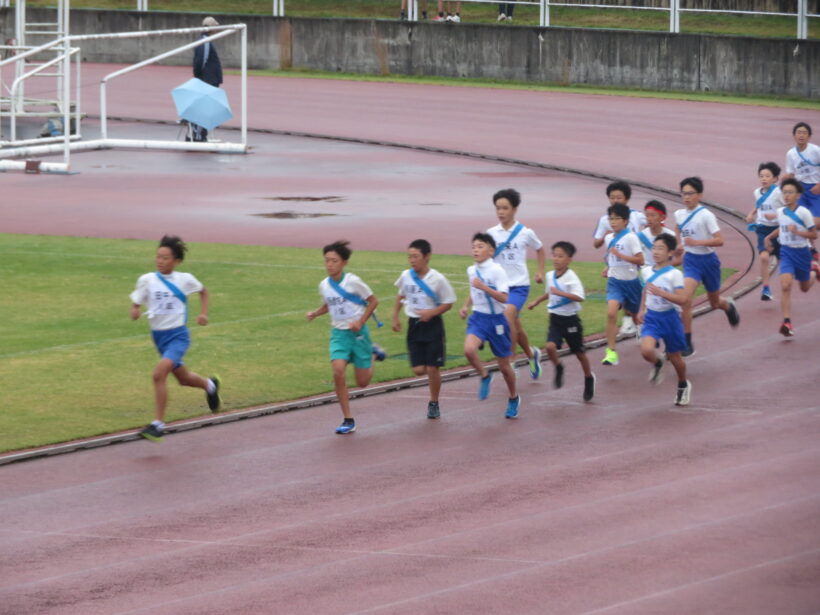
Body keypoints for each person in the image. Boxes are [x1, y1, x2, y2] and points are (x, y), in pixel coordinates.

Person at [130, 235, 221, 442]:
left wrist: (203, 313)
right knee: (183, 379)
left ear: (176, 261)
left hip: (178, 336)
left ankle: (158, 425)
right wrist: (134, 310)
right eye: (158, 257)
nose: (160, 261)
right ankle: (210, 386)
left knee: (158, 374)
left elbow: (203, 291)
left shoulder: (184, 279)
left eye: (165, 258)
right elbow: (137, 301)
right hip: (159, 338)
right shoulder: (147, 280)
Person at [306, 240, 386, 435]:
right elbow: (328, 305)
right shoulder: (324, 285)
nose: (329, 264)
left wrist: (361, 321)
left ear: (344, 263)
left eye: (334, 261)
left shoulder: (353, 281)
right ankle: (348, 419)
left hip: (358, 334)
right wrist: (316, 313)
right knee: (338, 370)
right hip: (338, 334)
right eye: (327, 260)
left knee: (362, 383)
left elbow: (374, 301)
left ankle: (373, 353)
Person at [674, 176, 740, 357]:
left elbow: (720, 240)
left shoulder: (706, 215)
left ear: (699, 195)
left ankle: (728, 305)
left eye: (690, 194)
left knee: (714, 302)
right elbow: (678, 228)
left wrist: (697, 242)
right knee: (685, 299)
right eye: (683, 193)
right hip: (691, 262)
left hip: (709, 262)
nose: (686, 197)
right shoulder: (679, 214)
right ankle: (687, 341)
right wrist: (679, 244)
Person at [391, 239, 456, 419]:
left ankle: (434, 402)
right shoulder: (406, 276)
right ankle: (431, 371)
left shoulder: (437, 279)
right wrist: (395, 317)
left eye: (416, 257)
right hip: (414, 326)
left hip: (433, 326)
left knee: (433, 368)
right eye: (409, 257)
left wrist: (432, 313)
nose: (412, 260)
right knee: (419, 369)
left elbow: (449, 302)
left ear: (427, 257)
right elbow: (400, 295)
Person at [459, 232, 521, 419]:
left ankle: (513, 397)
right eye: (473, 247)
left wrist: (484, 287)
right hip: (479, 317)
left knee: (504, 366)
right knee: (469, 350)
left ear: (491, 250)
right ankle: (485, 376)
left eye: (480, 246)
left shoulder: (497, 271)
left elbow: (504, 297)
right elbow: (473, 290)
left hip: (497, 321)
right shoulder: (471, 270)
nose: (475, 250)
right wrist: (465, 305)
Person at [487, 188, 546, 380]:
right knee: (516, 327)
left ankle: (511, 360)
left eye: (505, 208)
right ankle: (531, 354)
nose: (501, 212)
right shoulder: (491, 233)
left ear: (514, 209)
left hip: (519, 285)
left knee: (507, 317)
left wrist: (539, 271)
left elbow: (540, 249)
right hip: (500, 288)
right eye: (498, 208)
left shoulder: (525, 232)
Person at [527, 241, 596, 401]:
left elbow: (580, 297)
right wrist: (536, 301)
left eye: (561, 256)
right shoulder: (550, 275)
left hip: (571, 320)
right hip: (555, 318)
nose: (556, 259)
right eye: (554, 255)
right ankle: (558, 366)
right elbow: (549, 293)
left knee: (579, 353)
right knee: (550, 347)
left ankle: (588, 377)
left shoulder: (571, 277)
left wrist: (561, 293)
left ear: (569, 259)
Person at [636, 235, 691, 406]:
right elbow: (646, 290)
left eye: (660, 248)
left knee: (675, 358)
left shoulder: (675, 275)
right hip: (652, 317)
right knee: (646, 350)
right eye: (654, 248)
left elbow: (683, 300)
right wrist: (642, 309)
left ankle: (683, 384)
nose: (656, 252)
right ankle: (658, 362)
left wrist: (662, 294)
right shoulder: (645, 271)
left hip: (670, 319)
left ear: (669, 253)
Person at [764, 179, 818, 337]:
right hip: (786, 252)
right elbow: (781, 229)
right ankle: (786, 321)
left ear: (798, 195)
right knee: (785, 285)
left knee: (805, 287)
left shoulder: (804, 213)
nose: (786, 196)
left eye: (790, 192)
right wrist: (768, 237)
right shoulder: (781, 212)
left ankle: (814, 270)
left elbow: (814, 234)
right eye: (784, 192)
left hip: (802, 253)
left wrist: (798, 233)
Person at [592, 180, 646, 335]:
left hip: (637, 261)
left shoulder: (636, 216)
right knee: (618, 295)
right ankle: (629, 322)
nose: (615, 200)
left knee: (636, 294)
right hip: (616, 263)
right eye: (612, 197)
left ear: (627, 199)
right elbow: (596, 243)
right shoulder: (605, 220)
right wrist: (605, 238)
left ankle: (640, 324)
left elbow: (654, 221)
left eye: (619, 197)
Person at [601, 203, 644, 366]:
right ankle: (611, 352)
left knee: (636, 315)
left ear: (625, 221)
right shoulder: (608, 238)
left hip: (631, 282)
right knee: (611, 313)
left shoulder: (631, 237)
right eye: (610, 219)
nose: (613, 222)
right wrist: (608, 268)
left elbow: (640, 260)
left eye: (616, 219)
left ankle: (643, 330)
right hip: (614, 282)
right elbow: (612, 259)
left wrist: (622, 256)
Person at [745, 162, 783, 301]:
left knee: (784, 263)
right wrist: (751, 214)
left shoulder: (779, 193)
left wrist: (775, 216)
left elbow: (789, 210)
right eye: (761, 176)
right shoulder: (757, 192)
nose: (764, 179)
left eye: (767, 176)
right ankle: (766, 288)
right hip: (762, 229)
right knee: (764, 257)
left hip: (779, 230)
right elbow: (758, 205)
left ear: (775, 179)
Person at [783, 121, 820, 265]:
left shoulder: (815, 151)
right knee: (803, 220)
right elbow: (791, 173)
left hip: (816, 190)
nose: (801, 135)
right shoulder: (791, 154)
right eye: (799, 132)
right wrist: (786, 184)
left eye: (804, 133)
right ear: (794, 135)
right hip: (801, 190)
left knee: (816, 223)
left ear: (809, 136)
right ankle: (811, 250)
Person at [190, 16, 223, 143]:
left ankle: (200, 135)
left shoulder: (205, 40)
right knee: (204, 108)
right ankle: (198, 135)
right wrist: (199, 77)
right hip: (207, 80)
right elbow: (201, 61)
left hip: (208, 79)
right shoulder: (205, 41)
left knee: (206, 108)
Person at [637, 200, 679, 274]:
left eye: (653, 215)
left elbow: (678, 258)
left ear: (662, 217)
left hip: (665, 272)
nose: (649, 219)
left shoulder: (671, 236)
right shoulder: (640, 236)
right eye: (647, 215)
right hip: (646, 273)